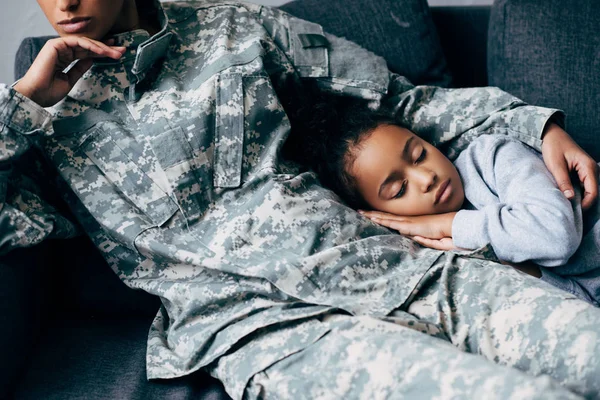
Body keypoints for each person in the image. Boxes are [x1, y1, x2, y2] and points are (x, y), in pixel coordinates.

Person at [2, 0, 600, 398]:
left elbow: (398, 104)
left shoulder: (238, 29)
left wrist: (535, 126)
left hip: (407, 270)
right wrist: (20, 105)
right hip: (276, 332)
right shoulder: (42, 119)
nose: (66, 4)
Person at [298, 99, 600, 306]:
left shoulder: (491, 157)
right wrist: (503, 263)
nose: (426, 177)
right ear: (380, 213)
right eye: (399, 189)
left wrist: (446, 223)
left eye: (419, 155)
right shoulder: (437, 252)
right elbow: (581, 302)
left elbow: (556, 236)